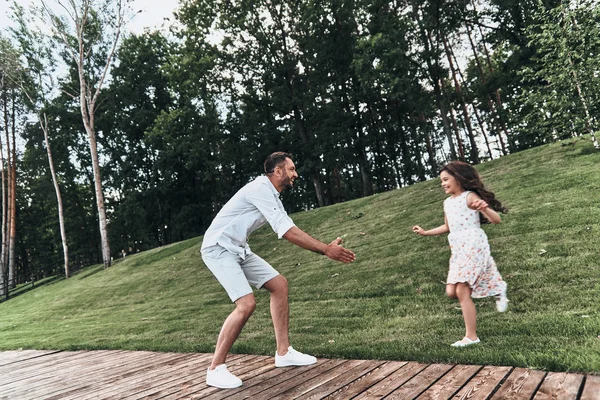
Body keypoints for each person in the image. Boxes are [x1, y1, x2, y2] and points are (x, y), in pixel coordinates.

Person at [201, 152, 356, 388]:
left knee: (279, 285)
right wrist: (326, 250)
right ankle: (215, 368)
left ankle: (283, 354)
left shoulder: (271, 195)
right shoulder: (260, 188)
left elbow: (287, 227)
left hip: (238, 249)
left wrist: (324, 248)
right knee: (246, 304)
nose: (296, 174)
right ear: (278, 171)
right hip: (218, 248)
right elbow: (287, 232)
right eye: (292, 169)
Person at [412, 161, 509, 347]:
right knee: (451, 291)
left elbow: (496, 220)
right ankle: (498, 287)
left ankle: (471, 337)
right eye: (441, 181)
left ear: (458, 178)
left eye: (446, 179)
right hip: (457, 248)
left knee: (462, 290)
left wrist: (484, 208)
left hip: (474, 243)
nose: (443, 183)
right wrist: (426, 232)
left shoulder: (469, 196)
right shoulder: (447, 203)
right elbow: (447, 227)